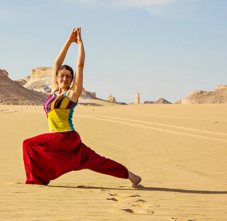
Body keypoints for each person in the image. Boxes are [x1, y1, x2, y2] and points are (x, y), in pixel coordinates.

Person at [22, 27, 142, 187]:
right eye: (62, 76)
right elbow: (56, 63)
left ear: (71, 80)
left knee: (28, 144)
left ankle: (35, 180)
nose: (64, 78)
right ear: (57, 78)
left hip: (64, 137)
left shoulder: (71, 94)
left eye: (68, 77)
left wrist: (80, 43)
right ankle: (131, 176)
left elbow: (80, 66)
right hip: (65, 139)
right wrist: (69, 41)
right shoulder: (54, 91)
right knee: (97, 161)